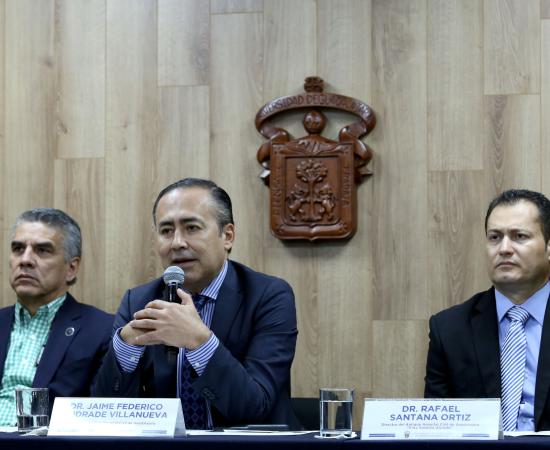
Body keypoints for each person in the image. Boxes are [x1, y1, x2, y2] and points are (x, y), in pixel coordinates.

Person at [93, 178, 299, 430]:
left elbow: (254, 407)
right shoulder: (138, 301)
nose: (177, 242)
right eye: (166, 231)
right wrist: (125, 348)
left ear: (227, 236)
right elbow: (104, 413)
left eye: (192, 228)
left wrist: (199, 342)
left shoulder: (268, 296)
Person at [425, 189, 550, 431]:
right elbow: (437, 429)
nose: (504, 248)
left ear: (548, 247)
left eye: (519, 236)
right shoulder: (449, 329)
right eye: (495, 237)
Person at [0, 208, 113, 426]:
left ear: (71, 268)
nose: (25, 260)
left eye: (42, 250)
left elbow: (101, 420)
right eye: (18, 249)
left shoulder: (100, 331)